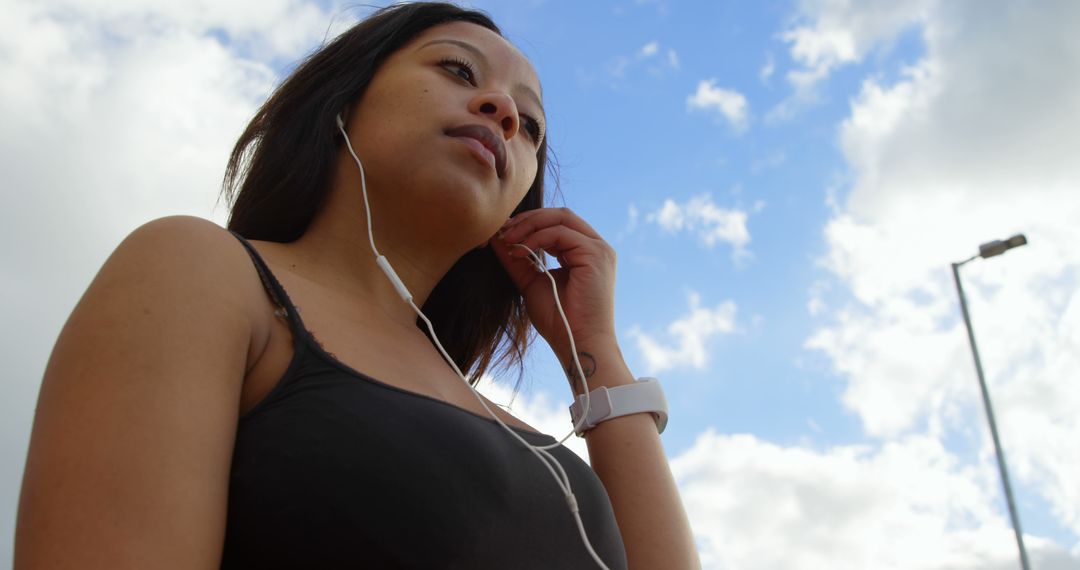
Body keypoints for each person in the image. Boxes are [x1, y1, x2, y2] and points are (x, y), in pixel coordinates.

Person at [15, 3, 699, 568]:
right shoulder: (204, 270)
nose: (504, 113)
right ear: (342, 97)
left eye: (531, 125)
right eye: (458, 69)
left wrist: (595, 350)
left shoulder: (530, 443)